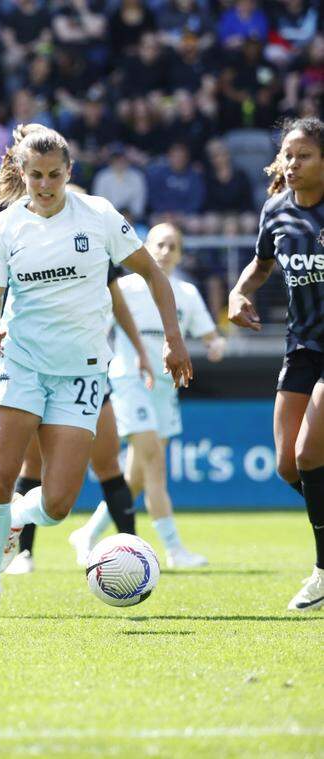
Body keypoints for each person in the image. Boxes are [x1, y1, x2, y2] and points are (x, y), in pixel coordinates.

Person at [0, 124, 192, 621]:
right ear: (21, 174)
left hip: (83, 372)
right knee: (0, 479)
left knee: (57, 506)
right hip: (21, 363)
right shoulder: (3, 229)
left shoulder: (99, 217)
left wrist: (173, 339)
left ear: (69, 173)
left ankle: (14, 521)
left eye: (54, 175)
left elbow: (153, 274)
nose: (45, 186)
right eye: (35, 176)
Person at [71, 223, 225, 569]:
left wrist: (215, 344)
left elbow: (209, 334)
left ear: (181, 253)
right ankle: (174, 549)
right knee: (154, 462)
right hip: (129, 382)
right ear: (145, 247)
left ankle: (88, 533)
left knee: (137, 476)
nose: (166, 251)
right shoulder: (121, 287)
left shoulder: (185, 292)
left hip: (165, 389)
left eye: (173, 246)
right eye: (160, 244)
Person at [228, 116, 324, 612]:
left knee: (310, 453)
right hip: (302, 347)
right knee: (288, 464)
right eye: (287, 155)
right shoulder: (276, 211)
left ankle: (322, 571)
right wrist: (238, 291)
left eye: (303, 155)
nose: (291, 164)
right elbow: (262, 264)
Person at [5, 257, 155, 575]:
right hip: (40, 373)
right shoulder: (27, 241)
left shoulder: (97, 238)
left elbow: (118, 303)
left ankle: (134, 549)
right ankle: (23, 553)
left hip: (89, 373)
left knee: (108, 465)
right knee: (32, 466)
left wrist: (141, 350)